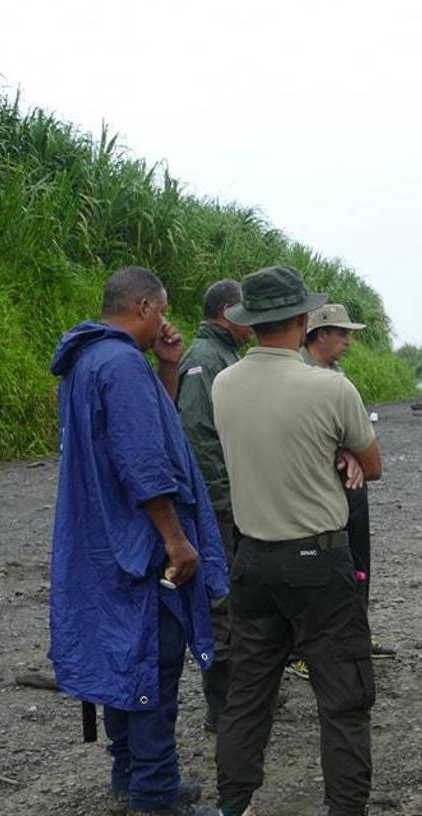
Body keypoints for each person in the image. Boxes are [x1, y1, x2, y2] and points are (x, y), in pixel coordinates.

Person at [49, 266, 229, 816]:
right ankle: (155, 796)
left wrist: (168, 368)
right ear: (146, 308)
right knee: (154, 662)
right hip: (139, 545)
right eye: (165, 309)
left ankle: (131, 776)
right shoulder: (121, 365)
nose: (168, 321)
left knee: (124, 658)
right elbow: (144, 463)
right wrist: (177, 540)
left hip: (103, 542)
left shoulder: (86, 359)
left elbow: (154, 426)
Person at [211, 266, 382, 816]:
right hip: (319, 558)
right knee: (344, 700)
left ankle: (233, 805)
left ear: (251, 321)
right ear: (303, 320)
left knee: (248, 695)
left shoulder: (223, 382)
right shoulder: (329, 386)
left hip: (253, 557)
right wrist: (345, 454)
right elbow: (372, 466)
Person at [176, 279, 254, 733]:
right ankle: (221, 709)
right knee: (221, 601)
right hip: (217, 506)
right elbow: (198, 439)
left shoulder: (225, 356)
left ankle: (241, 697)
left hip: (231, 501)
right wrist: (222, 502)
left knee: (239, 598)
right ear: (227, 311)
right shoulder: (204, 361)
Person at [302, 304, 396, 660]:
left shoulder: (335, 373)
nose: (349, 341)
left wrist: (352, 451)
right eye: (342, 333)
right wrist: (343, 451)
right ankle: (309, 648)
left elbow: (355, 440)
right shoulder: (298, 373)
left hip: (352, 487)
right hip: (317, 491)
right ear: (320, 333)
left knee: (358, 561)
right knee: (321, 567)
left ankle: (356, 636)